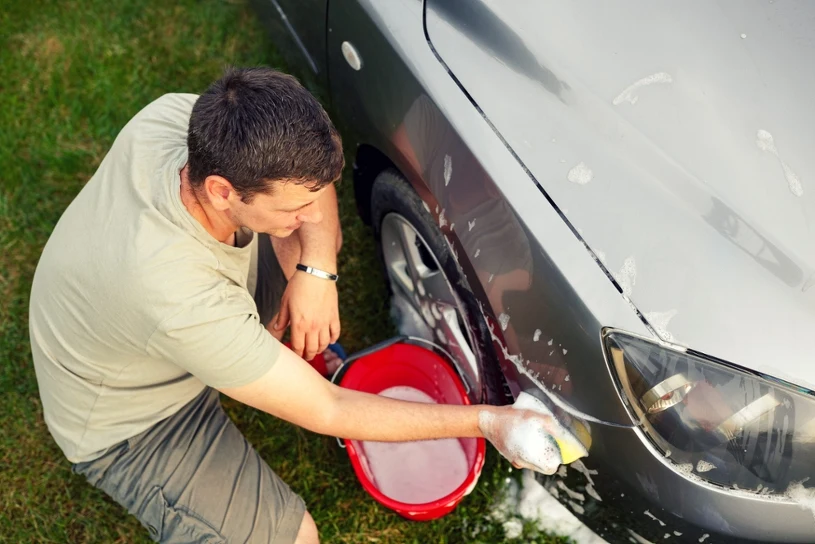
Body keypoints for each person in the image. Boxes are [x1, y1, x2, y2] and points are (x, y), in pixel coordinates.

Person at [29, 67, 560, 544]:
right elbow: (332, 410)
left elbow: (312, 190)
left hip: (161, 321)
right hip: (132, 420)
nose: (311, 211)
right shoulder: (173, 294)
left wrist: (317, 272)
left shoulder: (180, 122)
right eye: (295, 204)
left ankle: (255, 351)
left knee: (313, 250)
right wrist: (490, 422)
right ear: (221, 190)